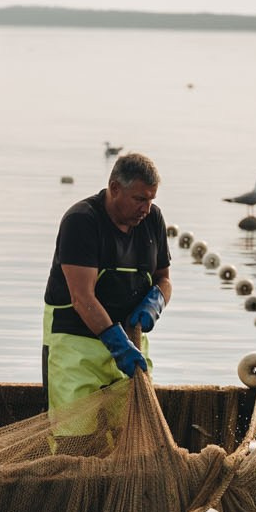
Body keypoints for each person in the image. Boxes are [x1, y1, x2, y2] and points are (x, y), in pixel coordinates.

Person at [42, 152, 172, 442]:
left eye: (151, 199)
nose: (146, 208)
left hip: (132, 344)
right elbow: (82, 297)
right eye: (140, 199)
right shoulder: (81, 221)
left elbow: (164, 279)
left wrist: (156, 302)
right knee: (74, 438)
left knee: (132, 436)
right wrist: (117, 344)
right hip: (76, 345)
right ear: (115, 188)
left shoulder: (153, 221)